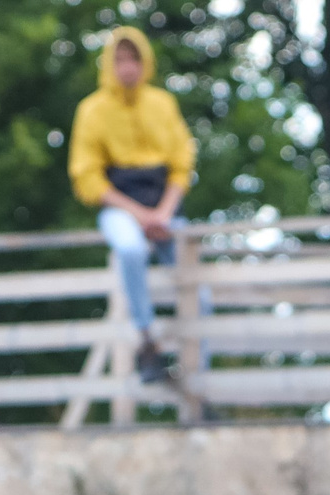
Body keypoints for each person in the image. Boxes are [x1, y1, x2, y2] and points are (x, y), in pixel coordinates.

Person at [69, 26, 195, 385]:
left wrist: (164, 213)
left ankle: (195, 369)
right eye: (120, 59)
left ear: (145, 62)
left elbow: (182, 163)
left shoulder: (162, 104)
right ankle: (147, 340)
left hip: (166, 206)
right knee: (130, 249)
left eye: (133, 59)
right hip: (121, 207)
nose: (127, 67)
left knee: (195, 280)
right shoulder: (92, 110)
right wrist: (140, 216)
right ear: (109, 64)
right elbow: (88, 179)